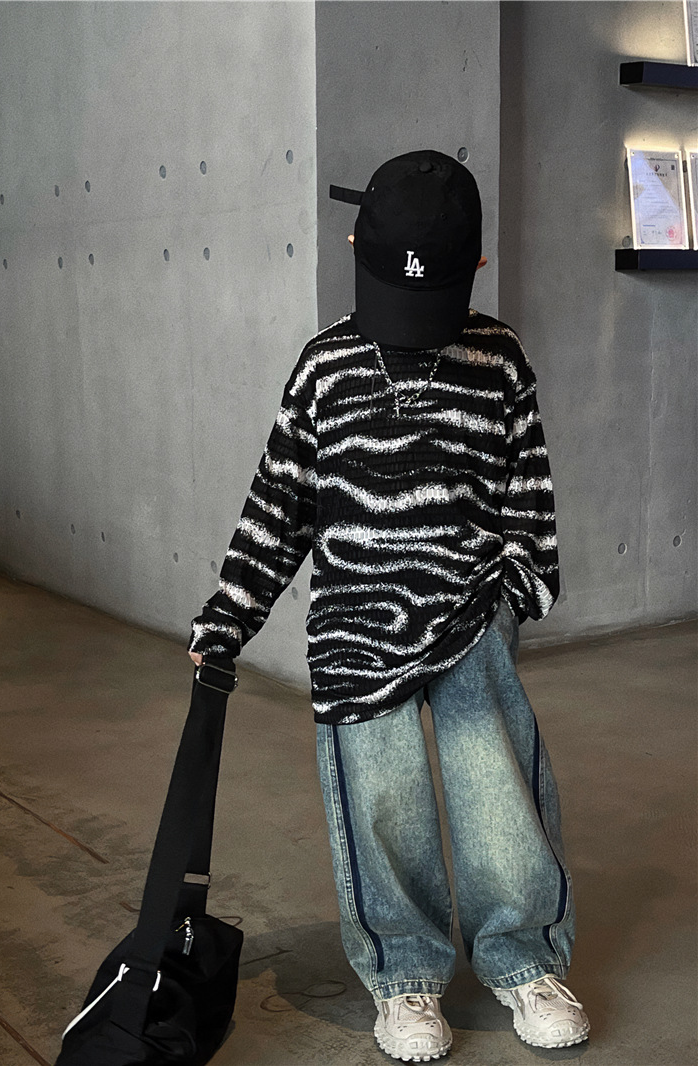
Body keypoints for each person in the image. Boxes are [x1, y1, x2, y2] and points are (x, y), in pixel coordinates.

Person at [188, 150, 589, 1061]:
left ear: (476, 266)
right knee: (381, 806)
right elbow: (278, 506)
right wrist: (227, 619)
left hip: (470, 617)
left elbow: (528, 490)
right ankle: (405, 977)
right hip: (355, 630)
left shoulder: (498, 359)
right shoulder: (324, 367)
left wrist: (517, 589)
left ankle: (525, 958)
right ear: (353, 247)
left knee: (502, 802)